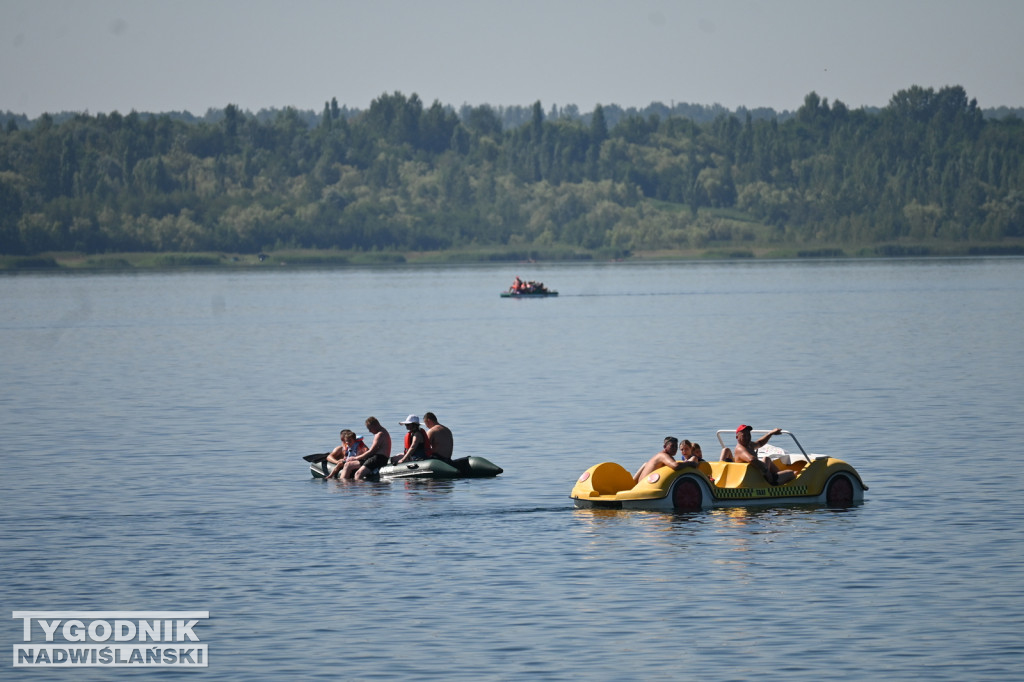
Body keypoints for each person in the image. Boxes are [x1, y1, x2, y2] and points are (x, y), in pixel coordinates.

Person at [720, 425, 795, 485]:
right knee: (791, 473)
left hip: (756, 474)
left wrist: (770, 433)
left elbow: (760, 443)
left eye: (748, 435)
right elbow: (752, 459)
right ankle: (774, 481)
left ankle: (778, 477)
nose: (747, 438)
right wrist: (766, 472)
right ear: (737, 437)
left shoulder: (748, 445)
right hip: (755, 479)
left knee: (767, 459)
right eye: (744, 435)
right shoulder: (740, 449)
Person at [632, 437, 697, 484]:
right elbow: (676, 466)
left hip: (643, 485)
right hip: (644, 487)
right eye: (672, 446)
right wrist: (690, 463)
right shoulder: (662, 456)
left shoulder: (662, 456)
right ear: (664, 447)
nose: (675, 449)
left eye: (676, 447)